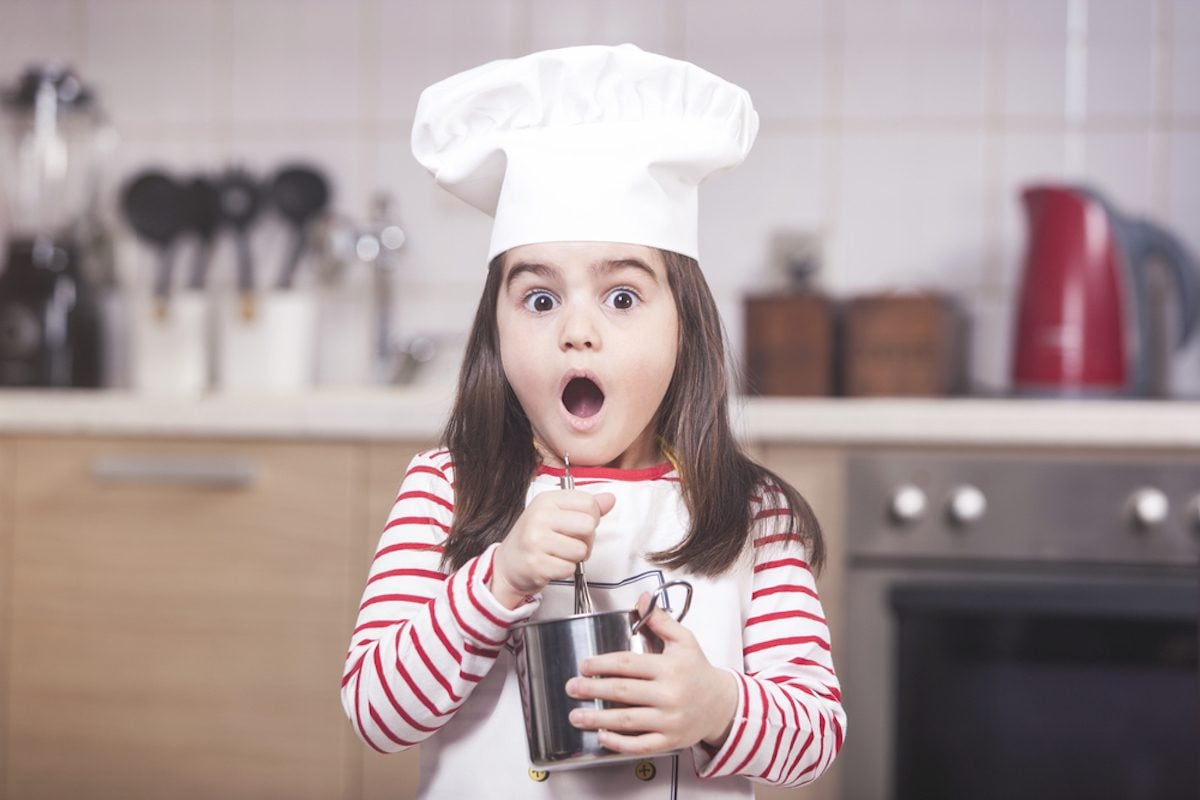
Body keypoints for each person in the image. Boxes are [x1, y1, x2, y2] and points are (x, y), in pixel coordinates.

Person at [341, 43, 845, 798]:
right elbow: (375, 713)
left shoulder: (752, 514)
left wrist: (719, 703)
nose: (577, 332)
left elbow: (816, 732)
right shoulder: (446, 489)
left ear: (686, 326)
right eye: (540, 299)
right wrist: (498, 579)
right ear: (496, 331)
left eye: (621, 298)